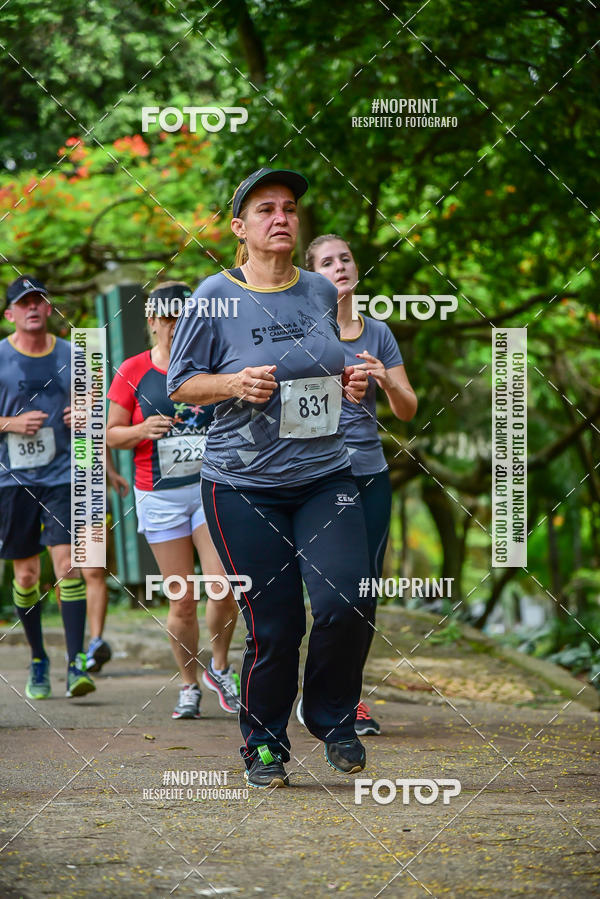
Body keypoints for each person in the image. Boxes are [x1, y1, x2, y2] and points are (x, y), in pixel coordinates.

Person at [167, 168, 372, 788]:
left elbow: (322, 369)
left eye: (288, 209)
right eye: (265, 210)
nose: (280, 217)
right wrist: (232, 383)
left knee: (348, 601)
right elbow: (181, 382)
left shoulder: (317, 291)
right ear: (240, 228)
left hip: (325, 474)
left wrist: (347, 384)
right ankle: (263, 741)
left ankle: (331, 714)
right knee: (277, 623)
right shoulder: (213, 293)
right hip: (241, 485)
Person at [106, 281, 240, 720]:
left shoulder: (215, 363)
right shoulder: (133, 370)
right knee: (181, 599)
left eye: (182, 317)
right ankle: (188, 683)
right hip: (160, 496)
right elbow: (109, 433)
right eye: (165, 318)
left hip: (211, 490)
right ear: (151, 323)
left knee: (223, 588)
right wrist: (140, 431)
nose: (173, 325)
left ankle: (219, 667)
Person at [305, 233, 418, 735]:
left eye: (345, 259)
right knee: (326, 595)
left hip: (368, 474)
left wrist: (385, 379)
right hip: (313, 476)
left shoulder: (379, 333)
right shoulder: (302, 331)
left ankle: (347, 699)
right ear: (313, 275)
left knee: (363, 593)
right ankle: (310, 693)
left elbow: (407, 409)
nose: (339, 267)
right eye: (327, 262)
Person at [0, 275, 95, 699]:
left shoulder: (74, 354)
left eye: (39, 299)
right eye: (24, 302)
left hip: (63, 474)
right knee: (26, 573)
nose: (33, 307)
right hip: (12, 479)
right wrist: (11, 424)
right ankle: (39, 659)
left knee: (68, 566)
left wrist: (84, 415)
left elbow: (96, 404)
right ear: (10, 314)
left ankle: (76, 663)